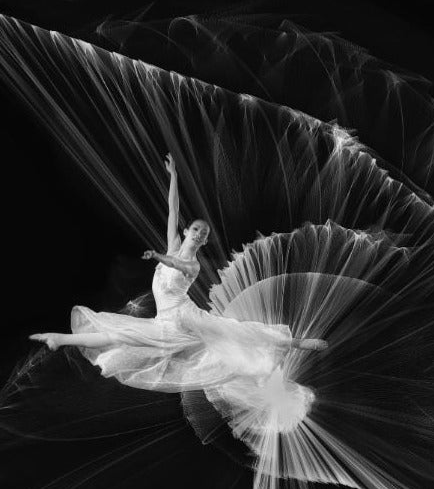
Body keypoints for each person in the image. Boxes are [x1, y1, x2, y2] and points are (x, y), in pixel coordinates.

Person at [29, 153, 327, 393]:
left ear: (205, 241)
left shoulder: (192, 265)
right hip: (166, 320)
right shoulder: (173, 244)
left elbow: (179, 266)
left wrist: (159, 256)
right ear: (187, 231)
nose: (198, 235)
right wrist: (173, 177)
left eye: (204, 234)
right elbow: (172, 209)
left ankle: (298, 344)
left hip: (181, 322)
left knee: (237, 331)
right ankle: (58, 338)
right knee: (117, 335)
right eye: (196, 229)